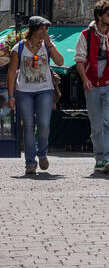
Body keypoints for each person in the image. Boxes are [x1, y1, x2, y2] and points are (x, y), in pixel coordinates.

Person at [7, 16, 64, 175]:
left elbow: (60, 62)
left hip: (44, 89)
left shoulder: (47, 46)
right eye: (42, 29)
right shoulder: (18, 48)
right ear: (33, 29)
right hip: (24, 91)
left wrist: (50, 44)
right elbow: (11, 72)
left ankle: (42, 153)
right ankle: (30, 163)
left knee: (44, 124)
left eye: (47, 29)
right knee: (29, 127)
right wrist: (11, 95)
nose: (44, 32)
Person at [75, 0, 109, 174]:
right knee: (96, 125)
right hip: (92, 85)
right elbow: (79, 60)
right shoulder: (86, 35)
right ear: (99, 16)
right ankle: (99, 158)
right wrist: (84, 79)